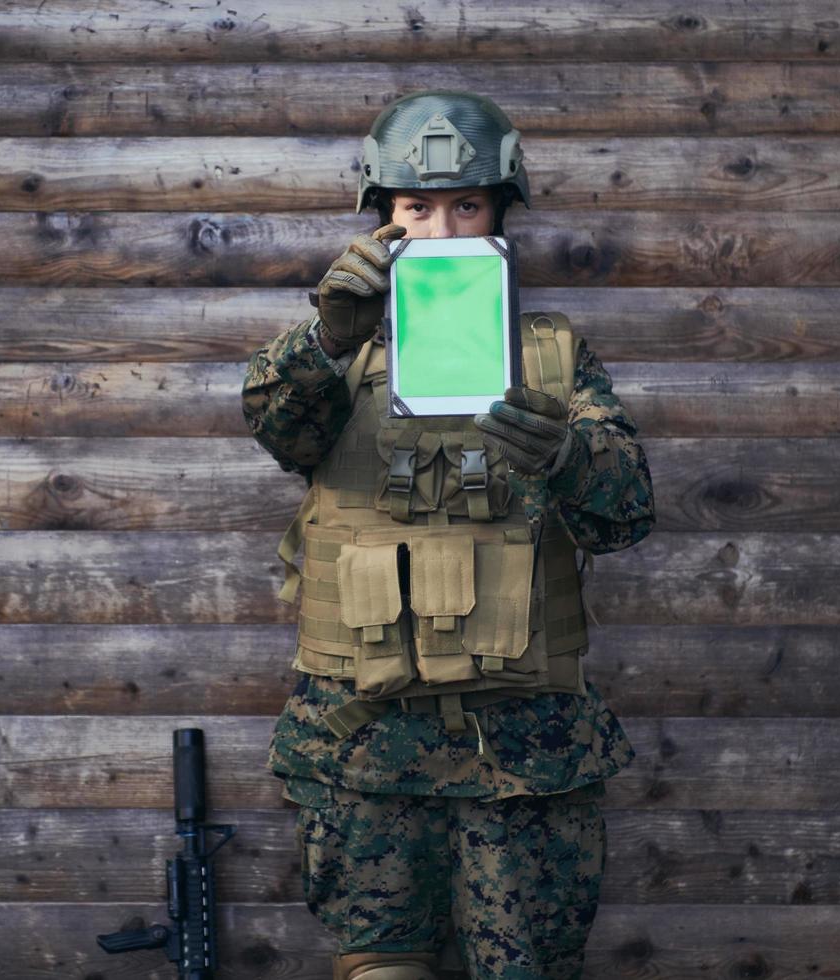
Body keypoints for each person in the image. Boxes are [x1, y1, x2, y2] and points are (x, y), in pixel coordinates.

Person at [241, 90, 656, 980]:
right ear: (381, 218)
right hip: (364, 742)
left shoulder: (550, 354)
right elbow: (281, 431)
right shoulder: (329, 351)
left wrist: (564, 454)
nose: (439, 228)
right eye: (414, 207)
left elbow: (623, 515)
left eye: (466, 204)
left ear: (501, 211)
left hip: (524, 749)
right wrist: (327, 336)